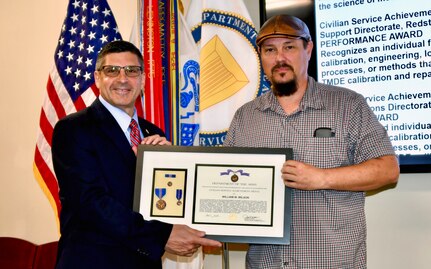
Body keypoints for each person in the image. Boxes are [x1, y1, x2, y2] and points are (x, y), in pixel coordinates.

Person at [224, 15, 399, 268]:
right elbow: (226, 184)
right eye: (270, 50)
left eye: (289, 47)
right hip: (265, 263)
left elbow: (388, 170)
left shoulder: (348, 106)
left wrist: (322, 178)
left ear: (308, 49)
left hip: (331, 262)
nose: (279, 58)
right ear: (260, 56)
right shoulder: (245, 117)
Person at [52, 40, 221, 269]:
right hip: (94, 261)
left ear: (142, 79)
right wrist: (162, 236)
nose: (123, 79)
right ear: (98, 78)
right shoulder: (73, 129)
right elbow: (91, 202)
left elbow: (162, 200)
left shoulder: (154, 133)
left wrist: (170, 167)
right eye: (112, 70)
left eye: (132, 71)